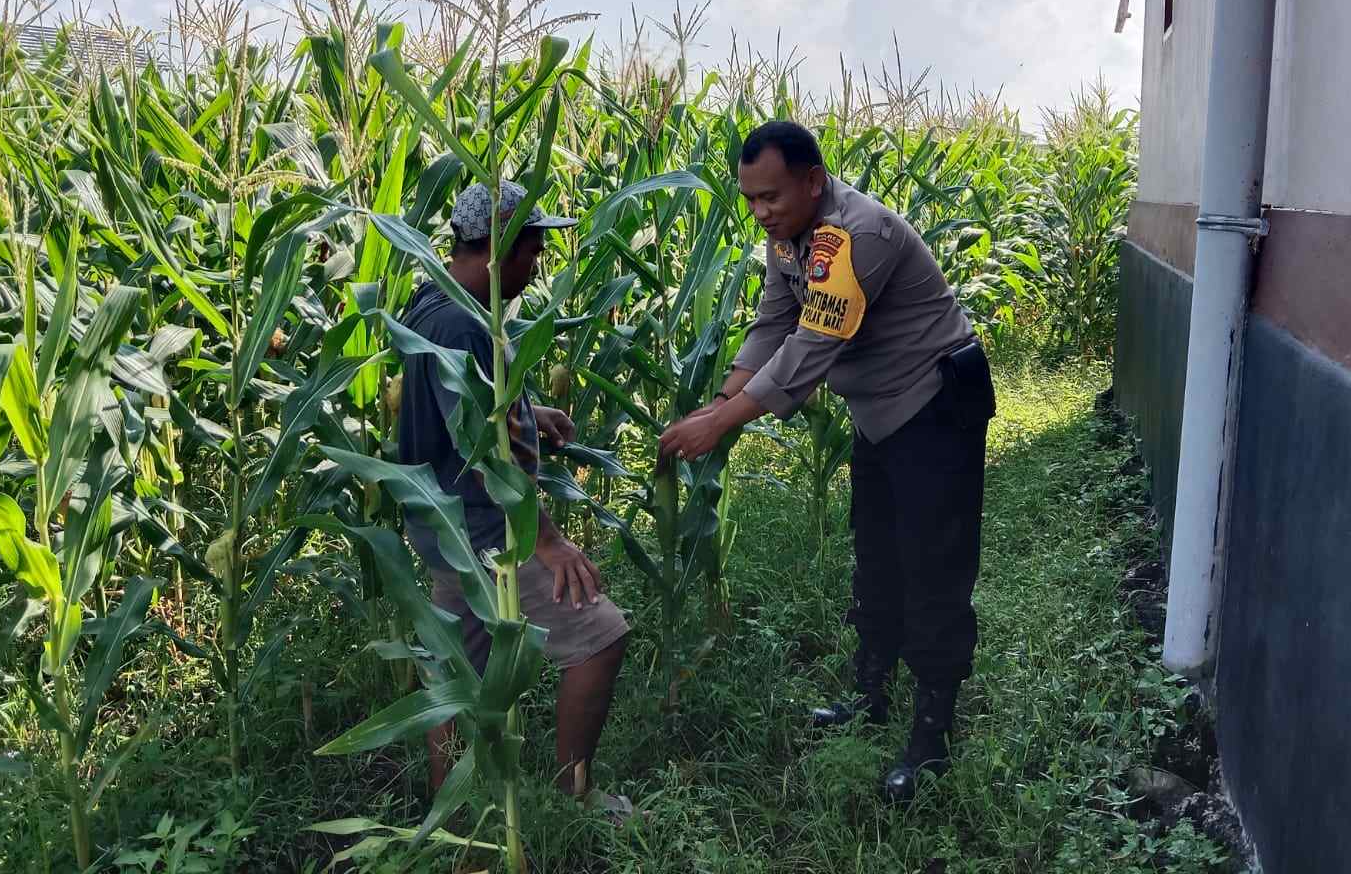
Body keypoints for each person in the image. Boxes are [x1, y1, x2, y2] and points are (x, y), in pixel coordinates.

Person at [658, 121, 996, 804]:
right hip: (879, 414)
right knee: (876, 554)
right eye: (750, 199)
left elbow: (813, 343)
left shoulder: (858, 234)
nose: (761, 213)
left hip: (933, 407)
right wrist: (719, 402)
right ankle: (869, 693)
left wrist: (723, 423)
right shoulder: (789, 235)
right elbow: (773, 321)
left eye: (772, 197)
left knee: (932, 564)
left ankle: (932, 733)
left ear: (813, 180)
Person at [396, 178, 634, 815]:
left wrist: (532, 412)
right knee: (600, 636)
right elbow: (480, 445)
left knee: (458, 675)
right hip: (485, 530)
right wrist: (548, 542)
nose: (535, 264)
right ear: (498, 247)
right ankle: (573, 797)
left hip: (444, 521)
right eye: (530, 249)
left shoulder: (436, 303)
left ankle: (458, 807)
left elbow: (474, 408)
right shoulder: (459, 323)